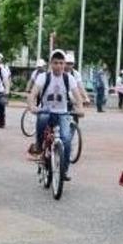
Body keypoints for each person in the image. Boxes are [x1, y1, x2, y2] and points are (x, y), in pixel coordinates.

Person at [26, 49, 83, 181]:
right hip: (46, 111)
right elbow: (32, 94)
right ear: (51, 64)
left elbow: (78, 97)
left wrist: (80, 108)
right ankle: (39, 146)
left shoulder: (69, 78)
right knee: (42, 118)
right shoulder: (44, 77)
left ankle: (64, 170)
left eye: (61, 63)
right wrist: (32, 107)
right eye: (56, 63)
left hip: (62, 113)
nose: (59, 66)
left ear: (64, 64)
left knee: (66, 139)